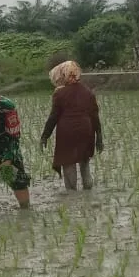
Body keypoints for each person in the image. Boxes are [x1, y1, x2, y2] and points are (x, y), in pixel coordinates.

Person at [39, 60, 102, 190]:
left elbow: (53, 117)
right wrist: (99, 137)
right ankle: (88, 194)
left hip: (67, 133)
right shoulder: (88, 92)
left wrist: (45, 136)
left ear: (62, 75)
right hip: (86, 130)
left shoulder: (59, 94)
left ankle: (72, 196)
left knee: (68, 163)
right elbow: (95, 116)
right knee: (85, 164)